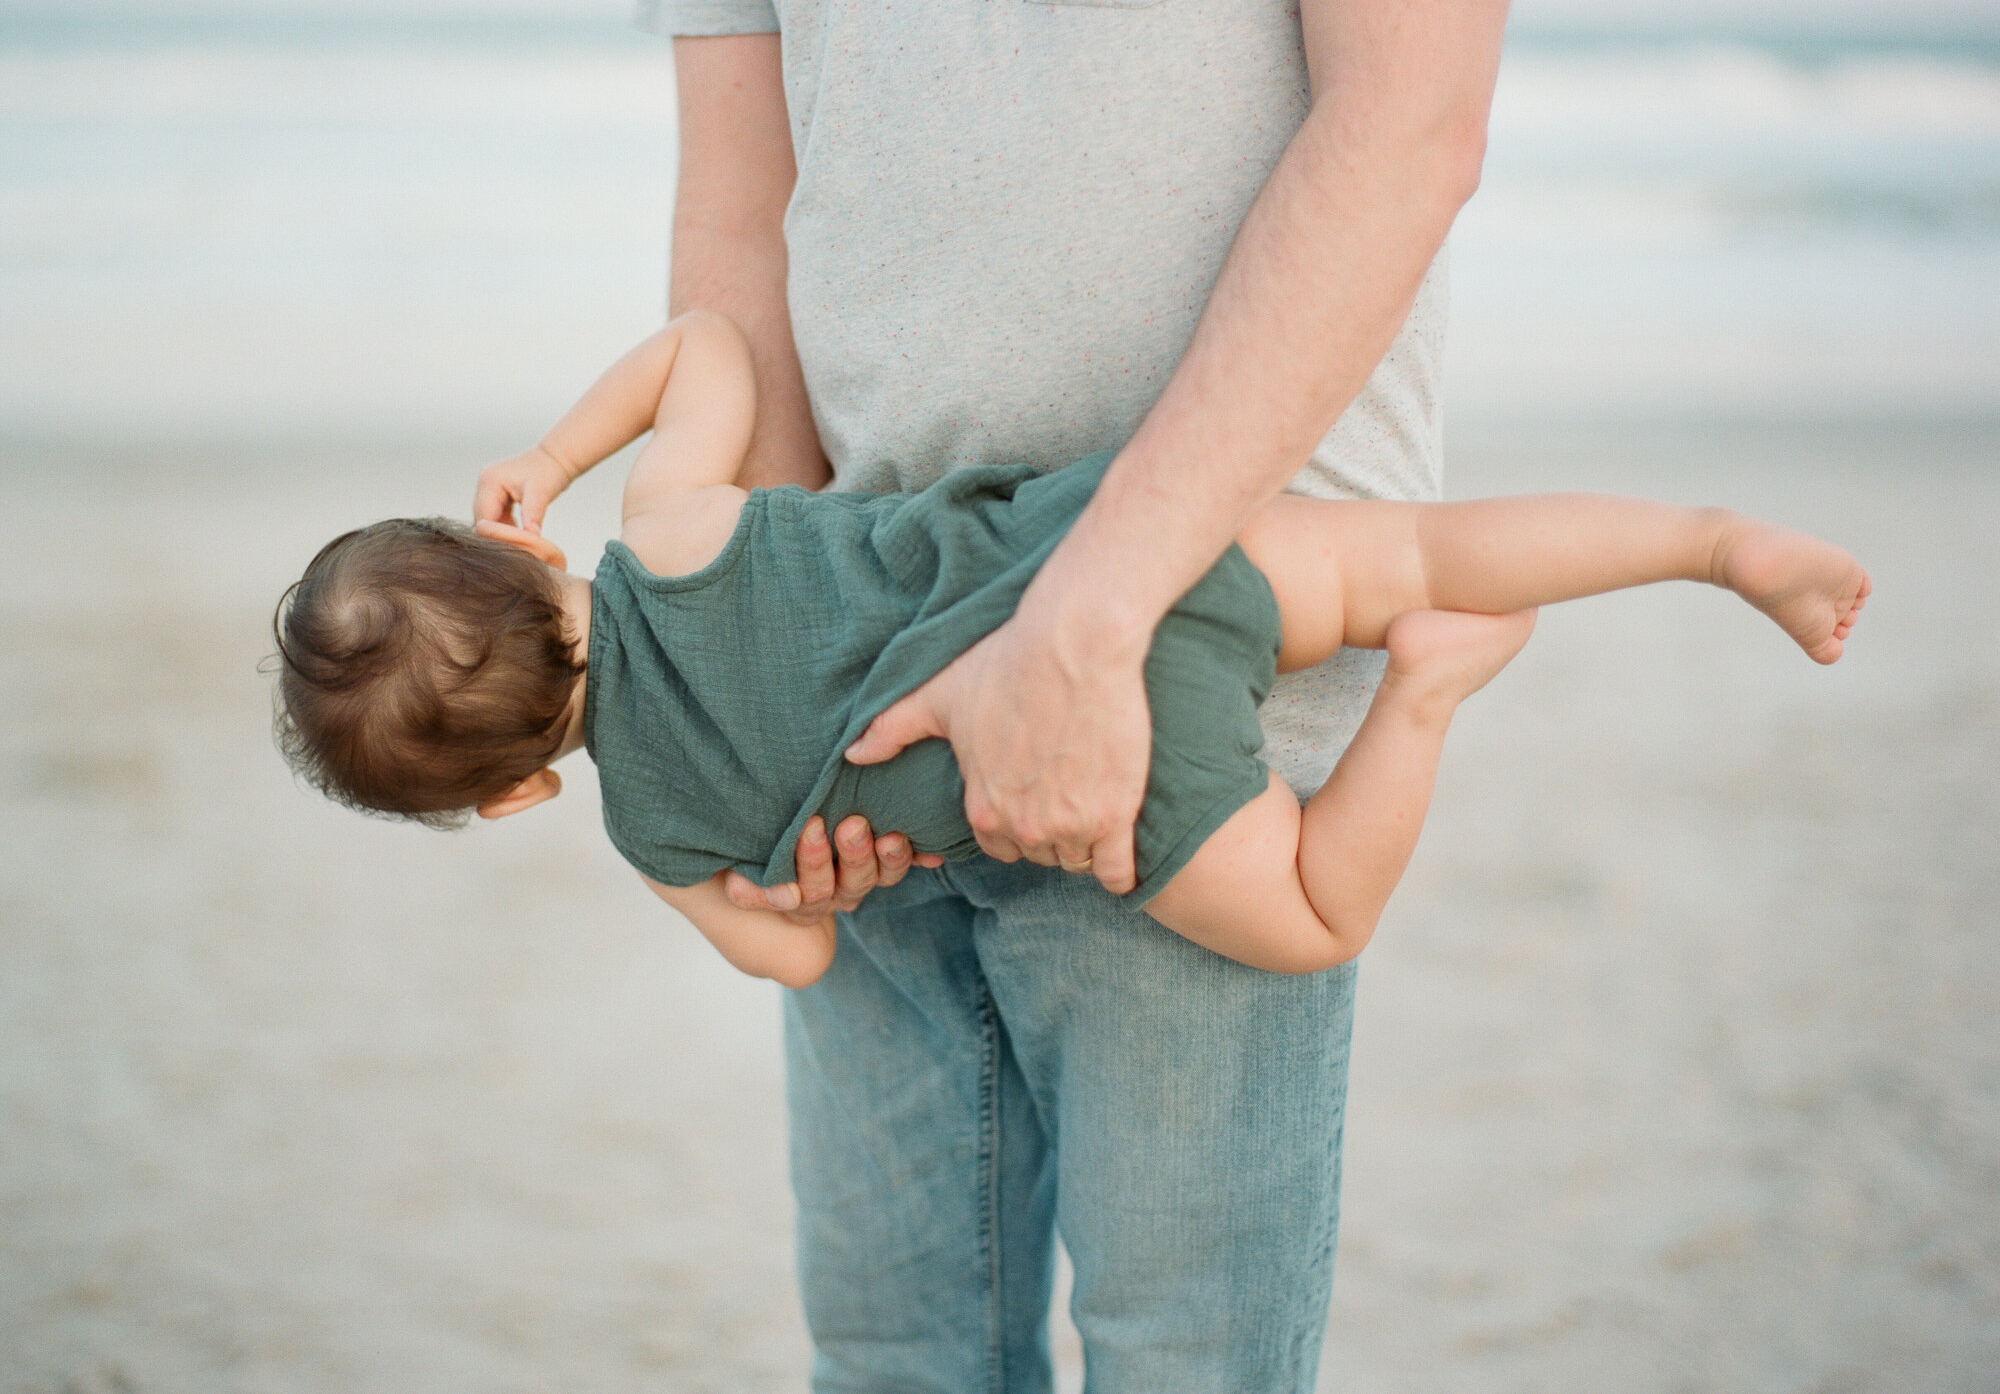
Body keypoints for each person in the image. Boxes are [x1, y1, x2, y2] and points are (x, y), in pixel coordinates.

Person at [634, 0, 1524, 1389]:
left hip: (1190, 696)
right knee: (891, 1365)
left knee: (1185, 1363)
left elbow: (1408, 124)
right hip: (873, 731)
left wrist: (1085, 625)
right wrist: (784, 698)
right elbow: (742, 219)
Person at [275, 314, 1866, 995]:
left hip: (1108, 763)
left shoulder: (645, 827)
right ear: (529, 556)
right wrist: (551, 459)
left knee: (1312, 915)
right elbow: (713, 340)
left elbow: (801, 956)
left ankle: (1430, 694)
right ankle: (1714, 542)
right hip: (1103, 544)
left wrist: (775, 884)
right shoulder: (671, 525)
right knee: (1415, 547)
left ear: (507, 800)